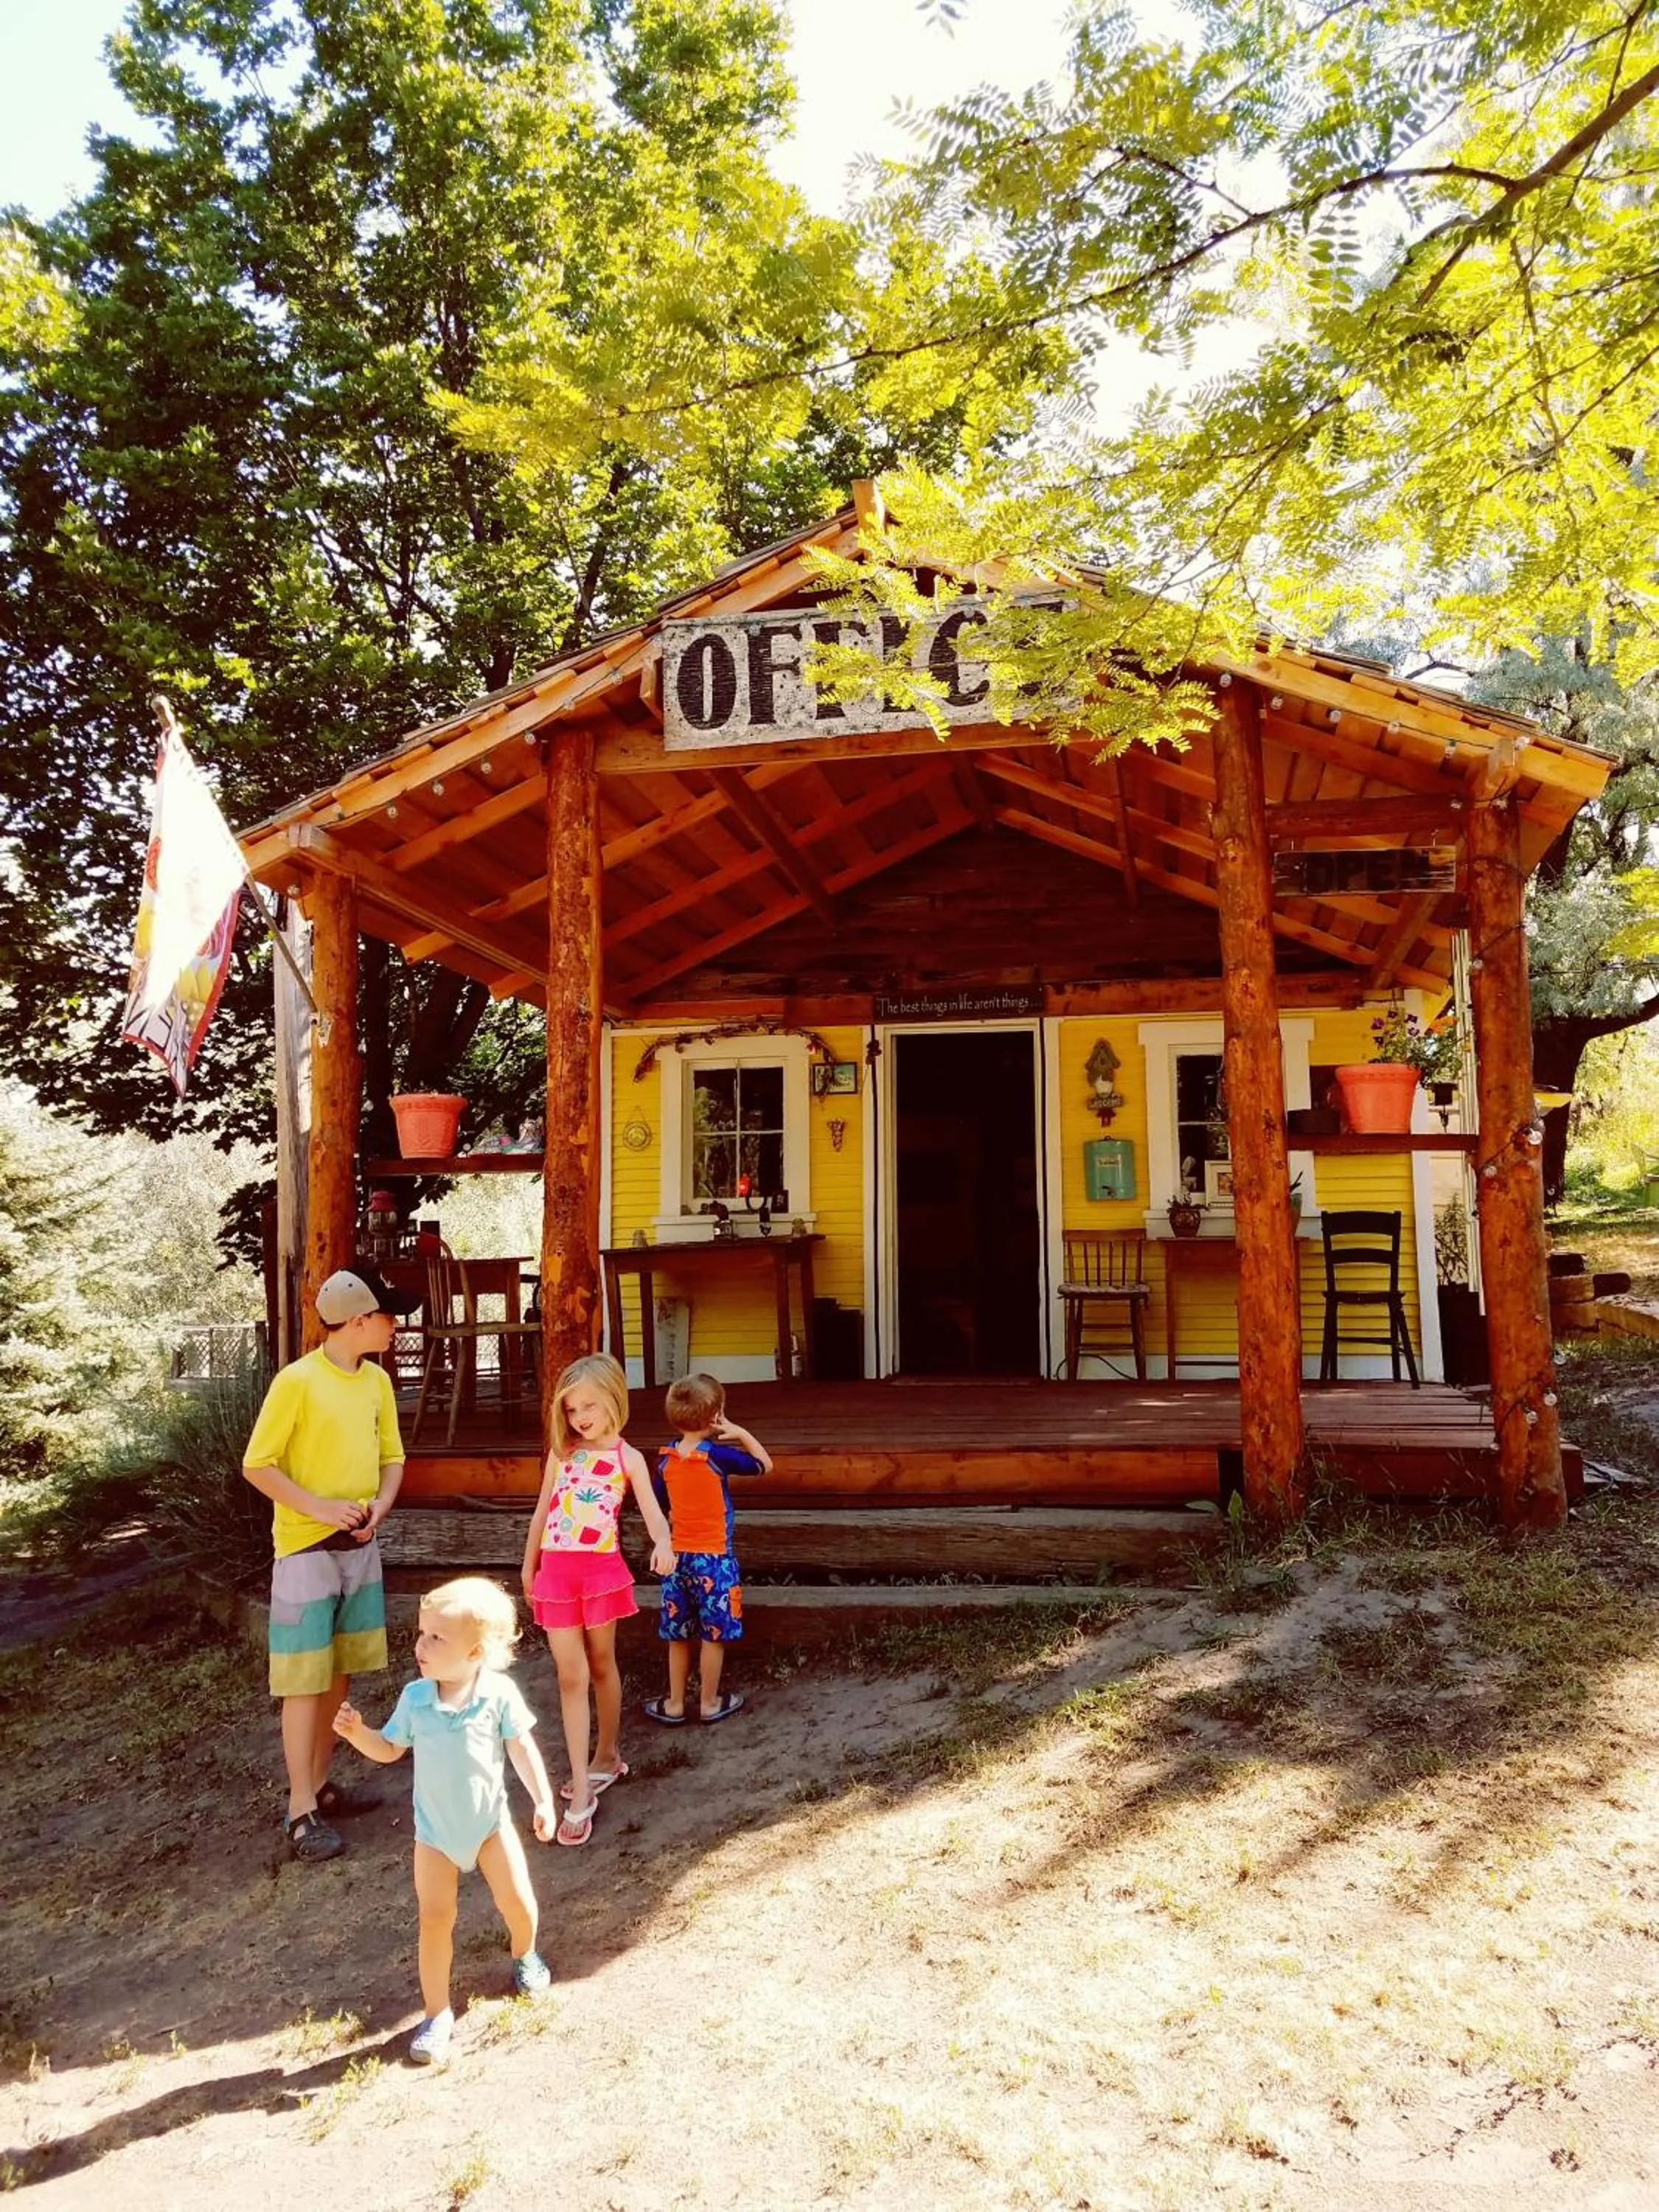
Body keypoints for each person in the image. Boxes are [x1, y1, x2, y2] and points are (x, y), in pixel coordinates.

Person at [333, 1576, 556, 2067]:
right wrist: (358, 1734)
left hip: (490, 1826)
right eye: (422, 1633)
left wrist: (542, 1800)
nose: (421, 1645)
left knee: (518, 1903)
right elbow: (390, 1749)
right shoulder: (416, 1699)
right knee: (435, 1921)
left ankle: (526, 1955)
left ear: (475, 1653)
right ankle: (436, 2014)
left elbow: (521, 1747)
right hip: (434, 1836)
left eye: (437, 1638)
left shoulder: (497, 1694)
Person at [242, 1261, 420, 1863]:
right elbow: (257, 1465)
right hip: (304, 1552)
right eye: (389, 1316)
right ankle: (300, 1812)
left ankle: (319, 1786)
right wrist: (320, 1509)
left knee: (339, 1673)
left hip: (360, 1549)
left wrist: (382, 1509)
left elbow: (393, 1458)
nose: (397, 1327)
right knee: (304, 1681)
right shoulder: (296, 1382)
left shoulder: (377, 1383)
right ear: (359, 1319)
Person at [520, 1353, 675, 1847]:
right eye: (571, 1410)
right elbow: (542, 1513)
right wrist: (528, 1566)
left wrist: (664, 1543)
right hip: (557, 1574)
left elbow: (652, 1510)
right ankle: (582, 1792)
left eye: (589, 1405)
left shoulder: (628, 1458)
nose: (580, 1417)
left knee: (602, 1663)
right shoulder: (561, 1453)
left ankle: (607, 1755)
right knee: (571, 1675)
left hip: (601, 1574)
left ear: (613, 1399)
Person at [644, 1374, 771, 1727]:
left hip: (676, 1561)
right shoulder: (718, 1456)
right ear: (716, 1415)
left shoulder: (667, 1461)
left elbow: (659, 1503)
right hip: (715, 1560)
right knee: (713, 1635)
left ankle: (673, 1704)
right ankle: (709, 1702)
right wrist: (741, 1433)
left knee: (678, 1635)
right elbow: (764, 1465)